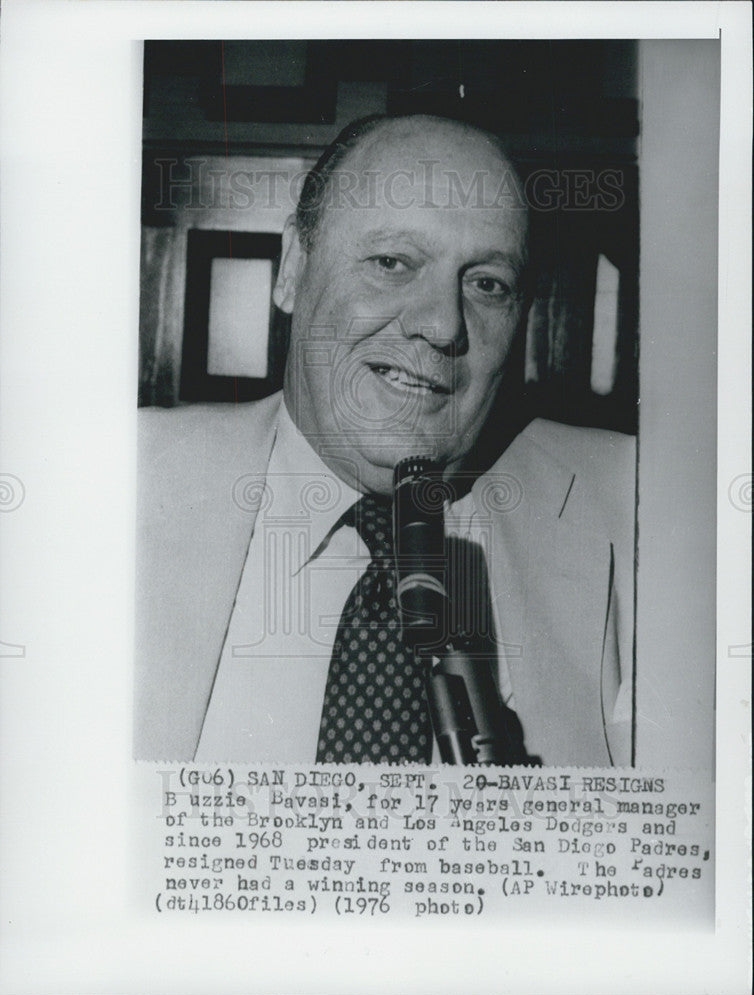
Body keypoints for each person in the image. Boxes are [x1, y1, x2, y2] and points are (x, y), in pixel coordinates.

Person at [135, 114, 635, 765]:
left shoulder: (641, 513)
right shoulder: (109, 487)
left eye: (487, 284)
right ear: (292, 269)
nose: (441, 324)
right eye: (392, 262)